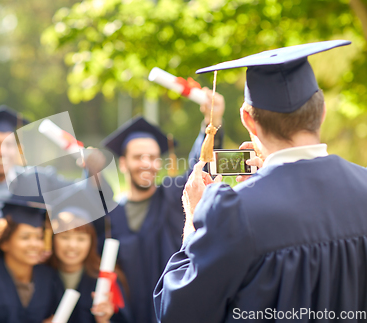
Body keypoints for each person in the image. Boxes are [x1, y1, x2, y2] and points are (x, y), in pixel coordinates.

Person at [152, 40, 367, 323]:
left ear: (248, 120)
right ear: (322, 110)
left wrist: (193, 220)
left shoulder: (233, 212)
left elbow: (175, 312)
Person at [100, 90, 225, 323]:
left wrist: (211, 123)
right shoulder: (110, 217)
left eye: (153, 157)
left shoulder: (173, 196)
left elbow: (200, 168)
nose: (147, 163)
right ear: (124, 163)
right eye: (138, 157)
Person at [47, 188, 133, 323]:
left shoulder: (106, 280)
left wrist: (104, 320)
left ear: (91, 242)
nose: (72, 245)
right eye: (64, 237)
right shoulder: (39, 276)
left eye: (81, 238)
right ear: (53, 239)